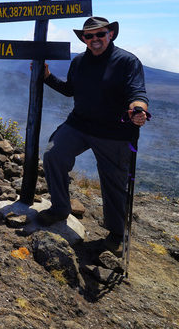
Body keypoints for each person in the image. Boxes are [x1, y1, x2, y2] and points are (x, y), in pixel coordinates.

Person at [36, 16, 149, 256]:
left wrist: (138, 110)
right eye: (90, 36)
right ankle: (59, 208)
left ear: (111, 35)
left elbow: (137, 92)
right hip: (80, 124)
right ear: (84, 39)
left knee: (114, 180)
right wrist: (47, 78)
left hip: (114, 132)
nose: (95, 39)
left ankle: (117, 233)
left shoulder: (127, 61)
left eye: (100, 34)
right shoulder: (79, 61)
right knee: (53, 154)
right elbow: (70, 90)